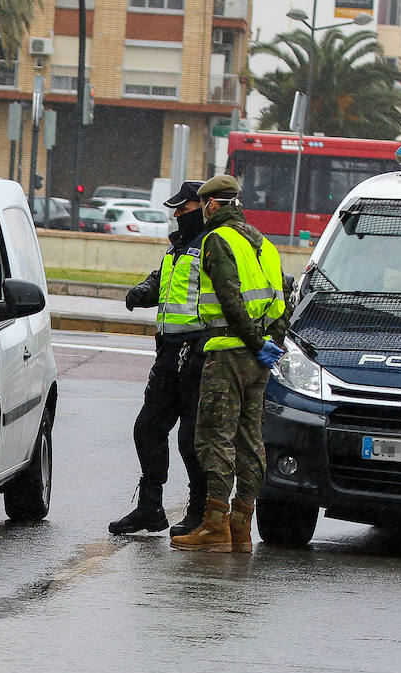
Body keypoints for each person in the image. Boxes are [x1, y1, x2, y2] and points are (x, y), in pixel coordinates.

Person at [171, 174, 286, 553]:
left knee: (214, 437)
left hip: (228, 353)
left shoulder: (218, 240)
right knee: (251, 440)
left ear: (213, 205)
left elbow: (231, 299)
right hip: (259, 358)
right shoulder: (264, 244)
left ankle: (215, 525)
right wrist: (269, 346)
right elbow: (282, 301)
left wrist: (251, 342)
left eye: (205, 205)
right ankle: (242, 525)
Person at [109, 179, 209, 537]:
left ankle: (201, 511)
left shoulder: (214, 245)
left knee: (192, 439)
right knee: (148, 428)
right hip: (169, 352)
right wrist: (143, 292)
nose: (178, 215)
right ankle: (150, 507)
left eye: (183, 209)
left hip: (200, 354)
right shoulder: (179, 247)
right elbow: (165, 280)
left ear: (204, 206)